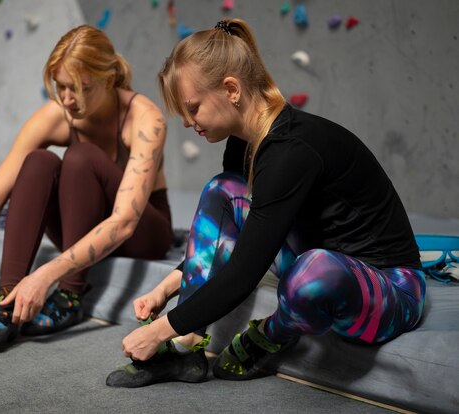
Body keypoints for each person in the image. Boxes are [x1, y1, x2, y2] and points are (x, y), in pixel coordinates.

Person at [106, 18, 425, 387]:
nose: (187, 122)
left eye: (193, 108)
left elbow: (244, 272)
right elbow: (235, 234)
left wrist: (157, 330)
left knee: (313, 272)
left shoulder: (290, 151)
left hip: (390, 288)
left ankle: (273, 333)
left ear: (231, 89)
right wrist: (168, 288)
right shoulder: (244, 141)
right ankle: (186, 347)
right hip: (316, 256)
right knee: (223, 189)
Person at [0, 24, 173, 345]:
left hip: (143, 232)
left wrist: (47, 274)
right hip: (80, 223)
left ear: (108, 80)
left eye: (79, 88)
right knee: (38, 161)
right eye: (60, 86)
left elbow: (123, 223)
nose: (67, 99)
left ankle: (70, 296)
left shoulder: (145, 118)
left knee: (80, 158)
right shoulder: (56, 114)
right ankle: (9, 299)